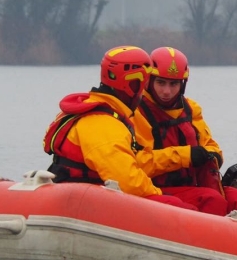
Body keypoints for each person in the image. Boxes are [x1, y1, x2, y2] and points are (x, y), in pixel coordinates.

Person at [43, 45, 196, 210]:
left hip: (79, 194)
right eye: (143, 84)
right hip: (81, 203)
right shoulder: (103, 124)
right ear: (132, 85)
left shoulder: (94, 109)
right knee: (177, 207)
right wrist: (159, 193)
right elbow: (128, 181)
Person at [132, 46, 237, 219]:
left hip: (193, 185)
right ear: (149, 81)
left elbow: (212, 146)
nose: (167, 91)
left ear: (182, 84)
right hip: (158, 189)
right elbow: (139, 164)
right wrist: (186, 156)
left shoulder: (191, 109)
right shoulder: (138, 112)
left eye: (174, 84)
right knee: (212, 200)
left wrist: (211, 156)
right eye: (161, 83)